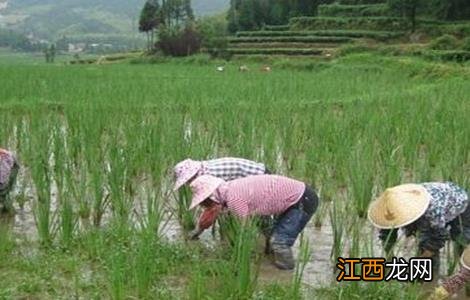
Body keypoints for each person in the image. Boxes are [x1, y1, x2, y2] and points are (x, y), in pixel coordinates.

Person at [188, 174, 319, 270]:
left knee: (279, 241)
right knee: (271, 234)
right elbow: (213, 212)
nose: (206, 206)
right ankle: (274, 261)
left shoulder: (234, 198)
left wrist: (237, 258)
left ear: (212, 196)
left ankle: (286, 275)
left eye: (206, 202)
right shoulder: (229, 188)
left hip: (302, 201)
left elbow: (244, 231)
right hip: (297, 197)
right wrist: (198, 230)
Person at [367, 182, 469, 274]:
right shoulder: (390, 206)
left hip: (460, 202)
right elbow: (387, 234)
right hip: (437, 202)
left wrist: (418, 262)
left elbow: (438, 238)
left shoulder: (431, 210)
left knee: (460, 238)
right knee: (423, 239)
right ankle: (428, 275)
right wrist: (390, 259)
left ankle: (464, 270)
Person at [173, 157, 271, 240]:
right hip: (257, 174)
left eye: (187, 180)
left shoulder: (207, 178)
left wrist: (198, 231)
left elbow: (213, 207)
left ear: (192, 175)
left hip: (260, 178)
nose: (188, 183)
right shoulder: (205, 168)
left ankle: (271, 240)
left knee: (259, 215)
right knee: (232, 210)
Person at [0, 148, 19, 214]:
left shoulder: (4, 159)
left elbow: (3, 173)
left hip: (11, 164)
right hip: (9, 161)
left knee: (3, 191)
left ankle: (10, 211)